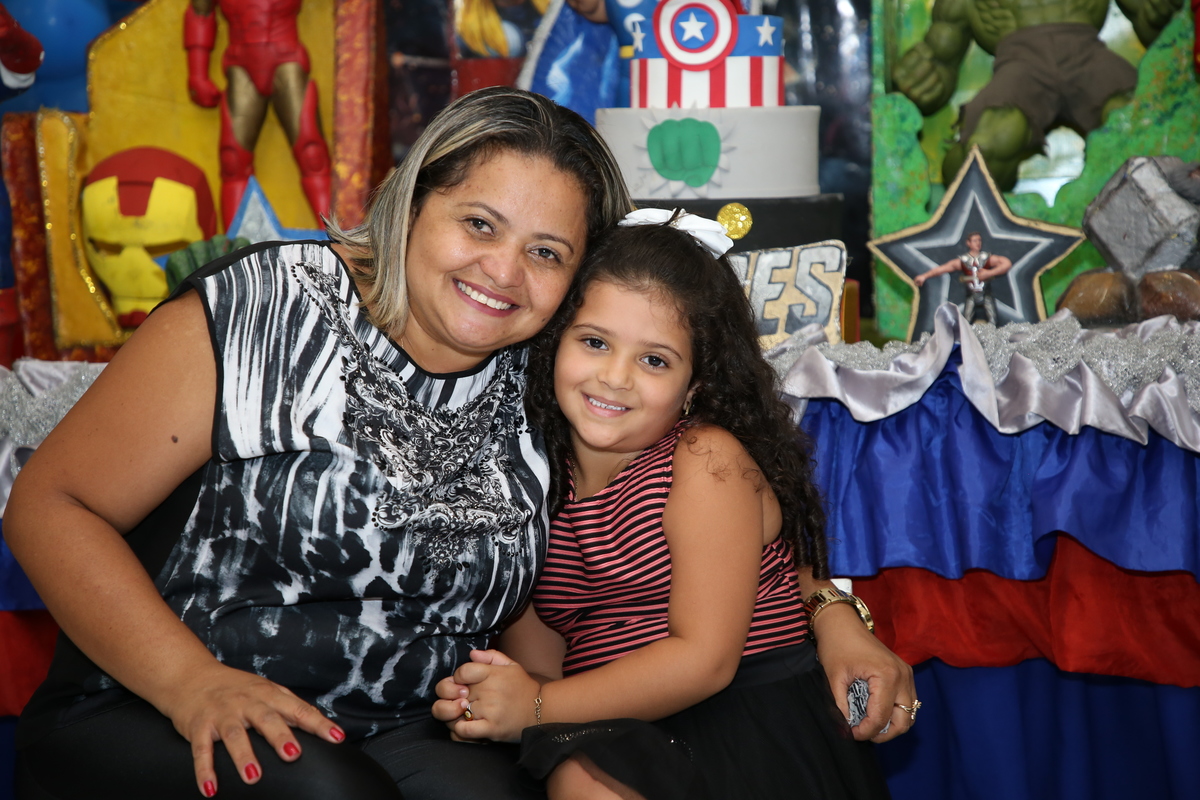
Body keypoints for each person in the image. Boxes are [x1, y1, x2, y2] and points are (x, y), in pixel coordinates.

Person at [7, 87, 911, 799]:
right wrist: (188, 682)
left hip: (412, 727)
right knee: (328, 791)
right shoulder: (265, 310)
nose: (503, 272)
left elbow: (706, 516)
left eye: (547, 252)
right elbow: (51, 504)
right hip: (167, 700)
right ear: (412, 201)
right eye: (479, 223)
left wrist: (835, 616)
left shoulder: (553, 372)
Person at [431, 209, 910, 799]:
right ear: (555, 342)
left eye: (654, 360)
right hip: (609, 720)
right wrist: (492, 697)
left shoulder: (704, 460)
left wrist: (533, 706)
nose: (615, 376)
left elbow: (705, 660)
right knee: (574, 776)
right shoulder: (532, 482)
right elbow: (544, 661)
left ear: (695, 386)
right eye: (595, 342)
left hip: (742, 718)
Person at [913, 232, 1012, 324]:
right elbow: (943, 268)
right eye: (975, 241)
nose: (978, 243)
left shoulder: (986, 258)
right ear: (968, 243)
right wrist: (924, 276)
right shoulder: (963, 260)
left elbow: (1006, 263)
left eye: (979, 240)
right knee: (967, 320)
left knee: (993, 320)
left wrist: (989, 273)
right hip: (971, 295)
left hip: (986, 294)